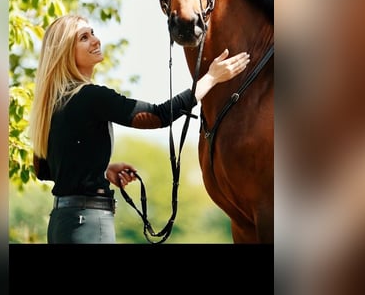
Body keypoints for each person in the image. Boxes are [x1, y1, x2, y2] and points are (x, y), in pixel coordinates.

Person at [28, 13, 250, 244]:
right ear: (65, 52)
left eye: (92, 32)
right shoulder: (91, 97)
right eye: (83, 37)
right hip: (90, 224)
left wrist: (101, 171)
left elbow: (46, 170)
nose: (95, 40)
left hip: (61, 222)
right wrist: (211, 78)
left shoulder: (52, 104)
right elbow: (158, 116)